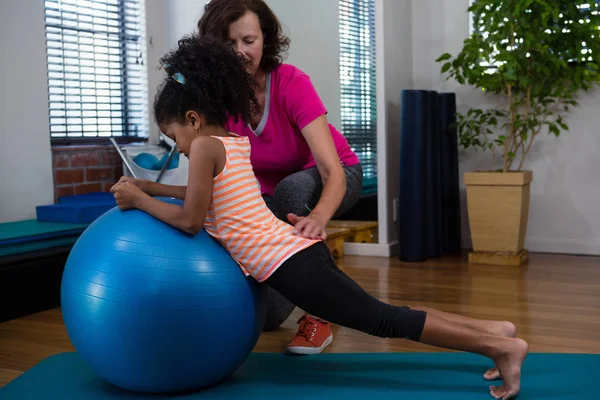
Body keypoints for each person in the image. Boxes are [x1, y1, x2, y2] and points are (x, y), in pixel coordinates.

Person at [110, 35, 528, 400]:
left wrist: (137, 201)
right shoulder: (230, 140)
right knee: (383, 311)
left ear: (192, 119)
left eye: (174, 137)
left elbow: (191, 220)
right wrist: (149, 187)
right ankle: (495, 331)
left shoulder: (202, 147)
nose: (179, 148)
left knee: (383, 320)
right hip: (297, 255)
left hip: (293, 267)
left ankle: (502, 349)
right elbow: (206, 198)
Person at [197, 0, 364, 353]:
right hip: (271, 194)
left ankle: (320, 317)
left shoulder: (290, 83)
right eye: (228, 43)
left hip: (336, 175)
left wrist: (318, 217)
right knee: (270, 314)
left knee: (292, 192)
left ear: (265, 40)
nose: (240, 52)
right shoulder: (219, 102)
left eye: (248, 40)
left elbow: (331, 171)